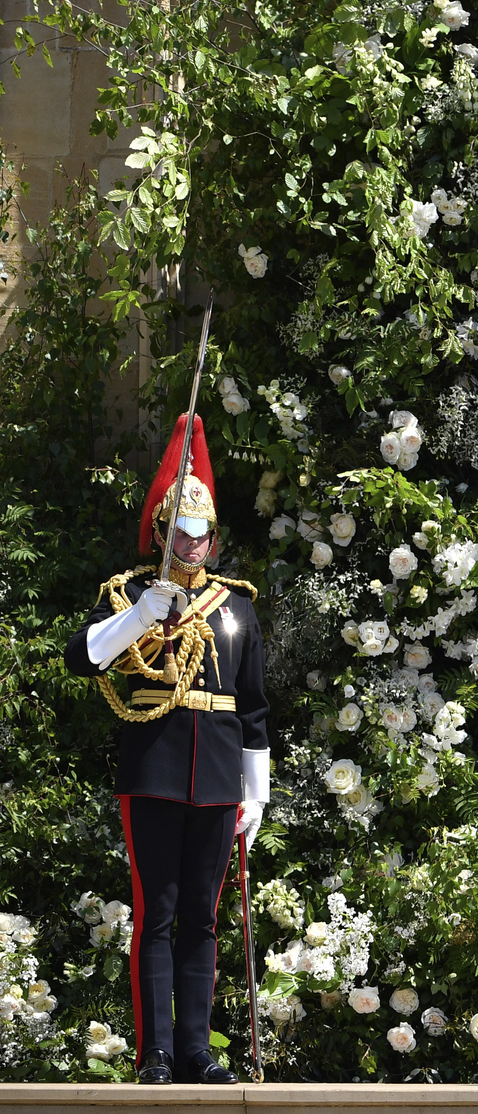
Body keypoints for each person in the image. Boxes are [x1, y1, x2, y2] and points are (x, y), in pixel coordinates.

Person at [62, 414, 270, 1086]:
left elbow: (254, 706)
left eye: (202, 533)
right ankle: (153, 1053)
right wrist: (142, 616)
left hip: (215, 776)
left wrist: (256, 790)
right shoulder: (130, 596)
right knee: (157, 914)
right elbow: (83, 658)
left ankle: (196, 1052)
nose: (193, 543)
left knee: (203, 923)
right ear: (161, 532)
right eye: (181, 531)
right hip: (152, 767)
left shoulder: (235, 609)